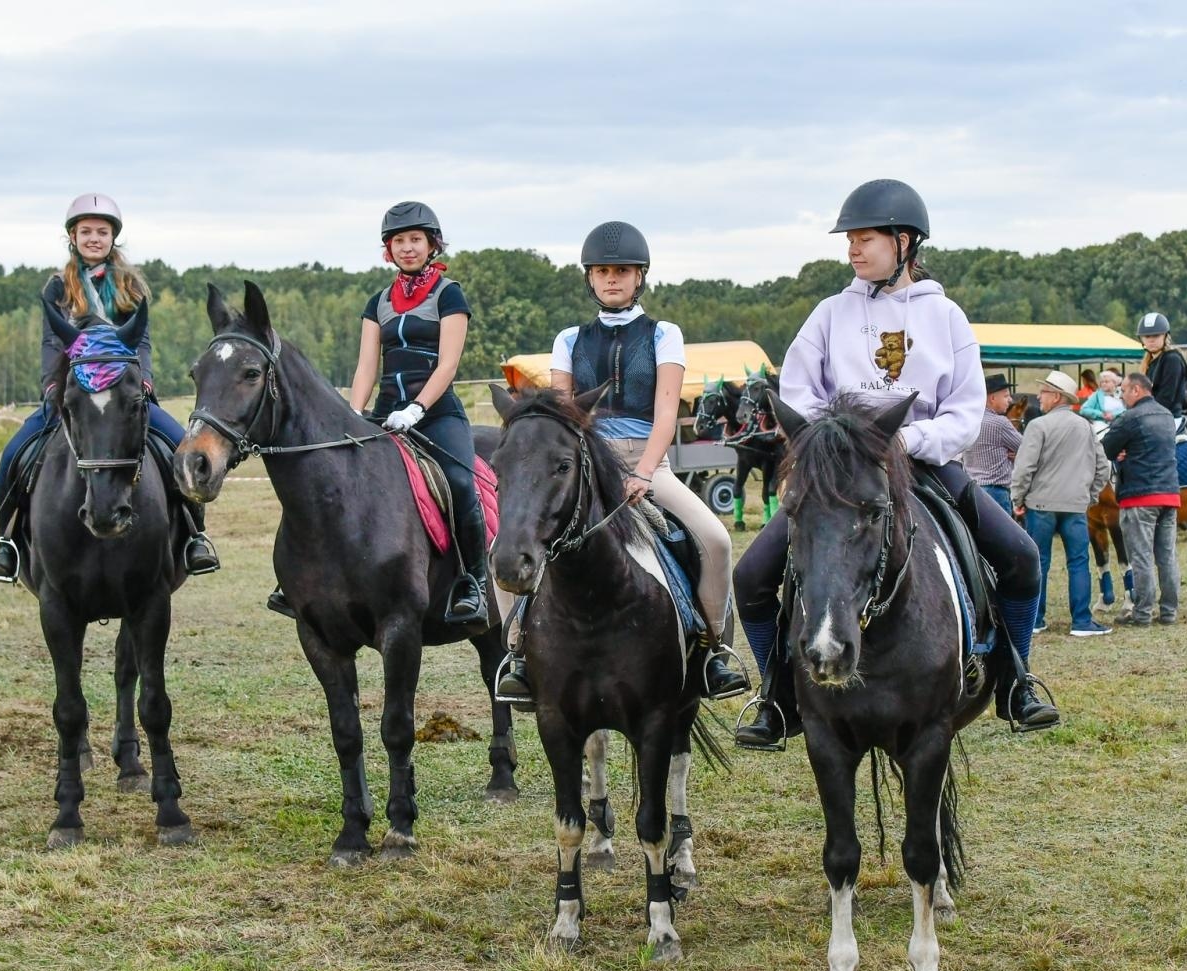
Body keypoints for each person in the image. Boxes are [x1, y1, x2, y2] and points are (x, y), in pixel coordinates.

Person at [732, 178, 1059, 748]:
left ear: (904, 242)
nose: (853, 249)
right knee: (751, 575)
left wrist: (907, 441)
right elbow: (798, 387)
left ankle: (1016, 679)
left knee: (1022, 558)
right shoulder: (830, 313)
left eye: (865, 238)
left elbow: (964, 409)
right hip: (841, 472)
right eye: (850, 239)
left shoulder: (947, 316)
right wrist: (833, 440)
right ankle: (775, 694)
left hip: (924, 465)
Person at [493, 221, 749, 702]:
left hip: (647, 463)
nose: (613, 279)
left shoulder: (663, 335)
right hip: (584, 465)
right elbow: (563, 419)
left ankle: (715, 653)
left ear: (640, 277)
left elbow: (667, 411)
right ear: (589, 278)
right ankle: (520, 653)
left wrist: (645, 472)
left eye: (623, 271)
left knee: (715, 540)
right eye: (603, 271)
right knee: (507, 542)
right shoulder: (569, 339)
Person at [0, 193, 218, 581]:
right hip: (73, 392)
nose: (94, 238)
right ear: (72, 237)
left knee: (178, 447)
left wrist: (143, 379)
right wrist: (52, 385)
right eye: (86, 231)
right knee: (12, 456)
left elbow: (141, 341)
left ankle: (194, 536)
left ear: (113, 238)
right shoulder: (57, 287)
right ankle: (7, 543)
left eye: (102, 232)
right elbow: (51, 343)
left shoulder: (131, 286)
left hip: (124, 391)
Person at [271, 201, 487, 625]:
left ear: (432, 245)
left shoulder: (450, 295)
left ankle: (473, 582)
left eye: (415, 240)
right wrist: (351, 412)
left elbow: (448, 364)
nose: (407, 248)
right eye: (399, 241)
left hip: (437, 413)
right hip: (385, 413)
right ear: (389, 249)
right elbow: (367, 364)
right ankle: (295, 578)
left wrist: (419, 407)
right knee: (323, 475)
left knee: (461, 482)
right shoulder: (379, 301)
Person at [1010, 370, 1111, 637]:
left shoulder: (1038, 426)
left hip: (1040, 505)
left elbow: (1024, 468)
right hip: (1076, 505)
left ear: (1056, 397)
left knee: (1039, 563)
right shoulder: (1085, 426)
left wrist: (1017, 499)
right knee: (1078, 562)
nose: (1039, 397)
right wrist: (1090, 496)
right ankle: (1081, 621)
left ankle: (1035, 620)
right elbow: (1104, 467)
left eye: (1043, 392)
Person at [1101, 373, 1181, 626]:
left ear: (1136, 390)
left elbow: (1107, 447)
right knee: (1167, 557)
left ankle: (1143, 613)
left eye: (1123, 390)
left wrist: (1123, 453)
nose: (1121, 395)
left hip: (1139, 496)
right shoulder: (1167, 416)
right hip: (1169, 494)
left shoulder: (1130, 418)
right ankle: (1169, 612)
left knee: (1142, 557)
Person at [961, 372, 1020, 515]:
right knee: (1002, 535)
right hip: (996, 492)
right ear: (993, 398)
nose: (1010, 400)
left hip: (972, 489)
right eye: (1005, 396)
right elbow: (1027, 448)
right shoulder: (1000, 423)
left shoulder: (969, 421)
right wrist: (1015, 455)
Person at [1137, 312, 1187, 420]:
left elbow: (1166, 397)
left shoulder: (1172, 359)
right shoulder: (1150, 363)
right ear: (1142, 339)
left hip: (1168, 418)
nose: (1151, 340)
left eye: (1156, 335)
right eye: (1147, 336)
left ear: (1165, 336)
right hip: (1153, 414)